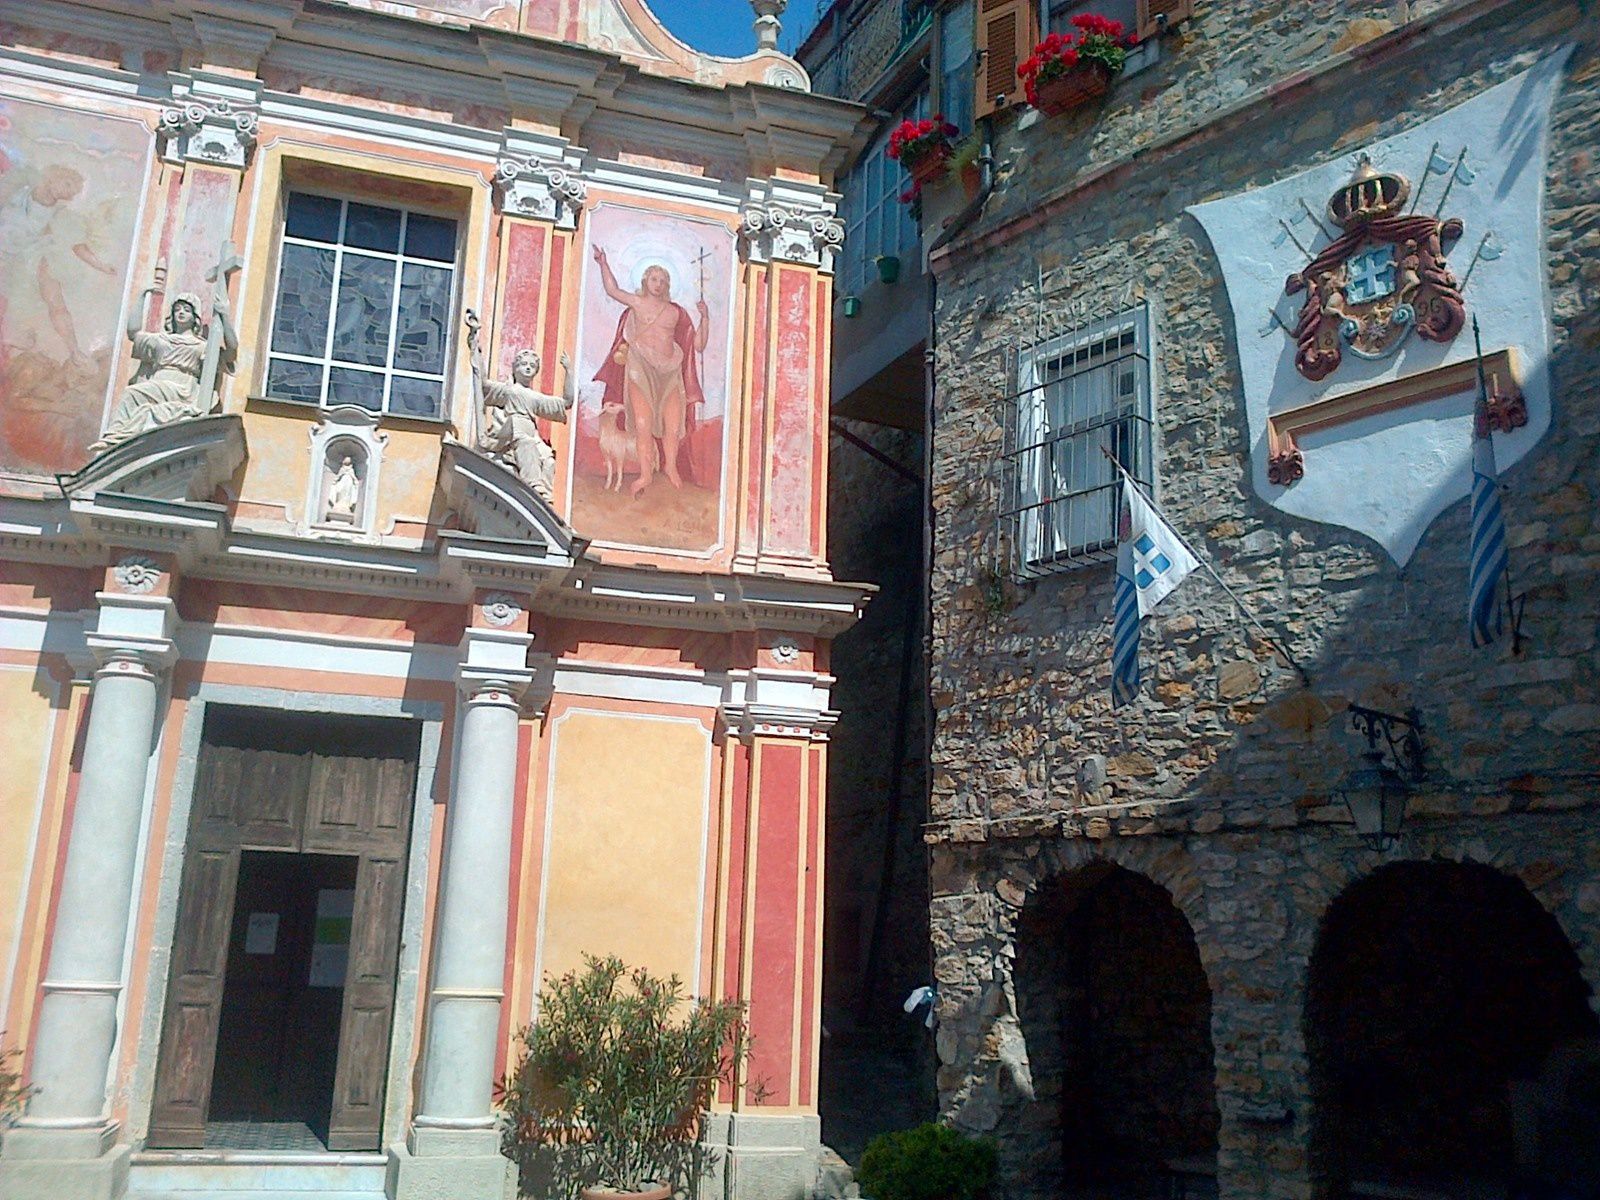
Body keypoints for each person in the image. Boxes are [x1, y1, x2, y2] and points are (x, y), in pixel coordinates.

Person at [590, 247, 709, 496]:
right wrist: (603, 263)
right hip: (640, 367)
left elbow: (698, 345)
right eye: (654, 279)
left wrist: (705, 319)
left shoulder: (676, 312)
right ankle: (645, 474)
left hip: (670, 370)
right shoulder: (637, 303)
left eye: (663, 280)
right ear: (645, 281)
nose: (658, 284)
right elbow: (612, 290)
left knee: (673, 425)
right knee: (642, 424)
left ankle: (670, 467)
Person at [90, 287, 235, 454]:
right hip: (159, 380)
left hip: (182, 386)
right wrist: (142, 297)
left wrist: (224, 316)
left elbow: (231, 352)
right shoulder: (160, 340)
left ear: (195, 316)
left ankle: (114, 438)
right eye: (177, 309)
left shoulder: (201, 346)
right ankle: (114, 438)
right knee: (131, 393)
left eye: (186, 310)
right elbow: (133, 333)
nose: (181, 313)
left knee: (133, 393)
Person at [472, 342, 574, 503]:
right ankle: (534, 485)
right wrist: (477, 355)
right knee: (526, 442)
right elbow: (483, 385)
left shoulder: (535, 397)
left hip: (529, 432)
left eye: (532, 366)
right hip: (512, 430)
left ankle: (545, 499)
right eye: (524, 364)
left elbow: (567, 402)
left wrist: (569, 370)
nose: (528, 368)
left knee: (548, 460)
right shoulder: (508, 390)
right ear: (514, 368)